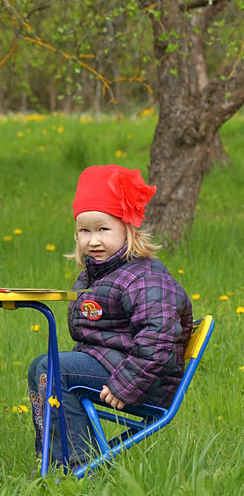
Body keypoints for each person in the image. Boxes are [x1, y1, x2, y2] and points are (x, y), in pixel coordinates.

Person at [28, 164, 192, 472]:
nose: (93, 241)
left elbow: (158, 340)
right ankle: (53, 459)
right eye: (84, 231)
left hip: (144, 380)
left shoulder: (144, 278)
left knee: (53, 368)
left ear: (128, 229)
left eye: (103, 229)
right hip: (117, 368)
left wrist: (125, 385)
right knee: (45, 366)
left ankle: (76, 467)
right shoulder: (97, 276)